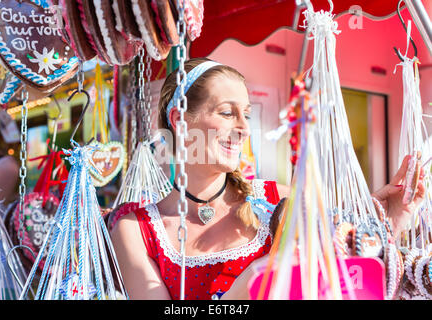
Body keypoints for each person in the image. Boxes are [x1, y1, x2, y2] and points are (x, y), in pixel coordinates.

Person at [109, 57, 425, 300]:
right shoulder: (137, 230)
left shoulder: (279, 201)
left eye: (246, 114)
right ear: (179, 120)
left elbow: (344, 276)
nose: (245, 128)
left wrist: (386, 221)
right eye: (226, 112)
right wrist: (264, 270)